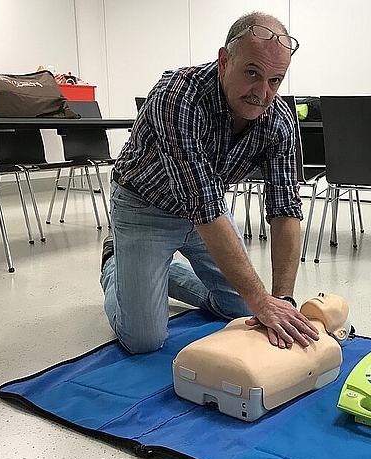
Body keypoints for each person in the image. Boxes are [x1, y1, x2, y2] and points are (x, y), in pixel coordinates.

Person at [100, 12, 319, 354]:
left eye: (275, 81)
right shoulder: (177, 97)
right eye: (252, 73)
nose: (263, 93)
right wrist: (261, 298)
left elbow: (285, 210)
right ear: (224, 60)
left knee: (245, 310)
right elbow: (202, 206)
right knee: (143, 340)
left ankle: (156, 273)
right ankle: (116, 261)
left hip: (207, 208)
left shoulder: (278, 120)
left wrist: (282, 300)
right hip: (144, 207)